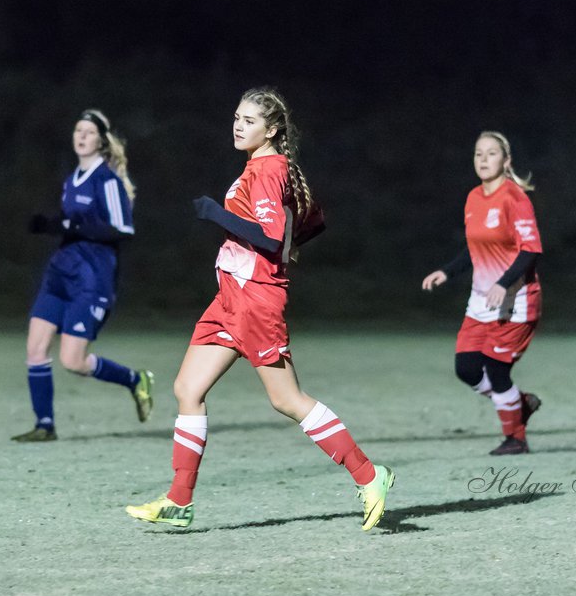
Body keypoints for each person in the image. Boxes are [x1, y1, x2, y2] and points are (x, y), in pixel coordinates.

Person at [125, 87, 394, 531]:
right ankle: (179, 501)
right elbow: (313, 220)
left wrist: (215, 213)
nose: (238, 125)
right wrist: (287, 243)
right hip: (230, 297)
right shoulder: (263, 166)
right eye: (236, 117)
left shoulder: (269, 169)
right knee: (188, 388)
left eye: (249, 121)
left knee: (286, 399)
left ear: (271, 130)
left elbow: (269, 238)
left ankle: (370, 476)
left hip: (254, 298)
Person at [13, 109, 155, 442]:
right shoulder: (71, 179)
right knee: (35, 349)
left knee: (73, 361)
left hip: (91, 280)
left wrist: (75, 226)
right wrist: (51, 225)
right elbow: (71, 225)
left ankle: (136, 380)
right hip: (59, 275)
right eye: (78, 130)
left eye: (89, 132)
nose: (81, 136)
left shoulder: (107, 181)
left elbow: (122, 229)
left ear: (101, 141)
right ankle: (44, 425)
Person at [422, 131, 543, 455]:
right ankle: (519, 404)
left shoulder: (514, 198)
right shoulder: (474, 197)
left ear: (506, 161)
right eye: (479, 154)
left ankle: (515, 437)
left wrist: (503, 284)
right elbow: (474, 249)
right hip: (480, 300)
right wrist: (447, 271)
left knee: (496, 369)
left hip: (514, 301)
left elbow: (530, 250)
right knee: (467, 369)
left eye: (492, 154)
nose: (484, 160)